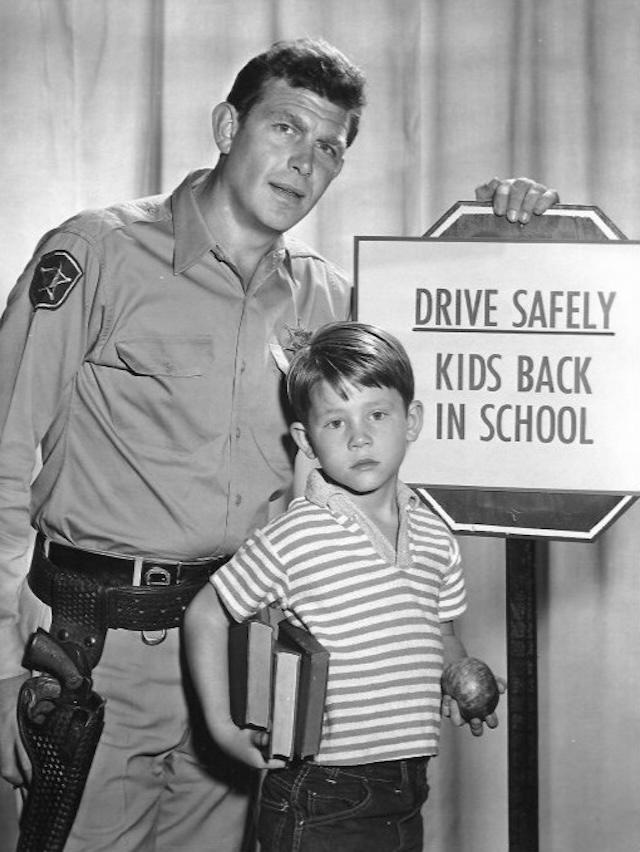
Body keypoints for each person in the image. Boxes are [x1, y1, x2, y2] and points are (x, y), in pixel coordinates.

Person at [0, 36, 555, 852]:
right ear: (228, 126)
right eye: (286, 127)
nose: (304, 160)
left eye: (329, 146)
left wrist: (509, 238)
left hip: (247, 652)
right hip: (96, 653)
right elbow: (4, 457)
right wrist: (1, 666)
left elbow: (421, 390)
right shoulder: (98, 253)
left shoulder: (330, 300)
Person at [184, 321, 504, 852]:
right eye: (336, 422)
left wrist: (458, 676)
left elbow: (442, 634)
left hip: (407, 787)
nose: (360, 437)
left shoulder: (435, 536)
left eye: (377, 414)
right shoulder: (297, 534)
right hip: (320, 792)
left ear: (412, 420)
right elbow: (206, 614)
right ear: (306, 441)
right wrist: (221, 727)